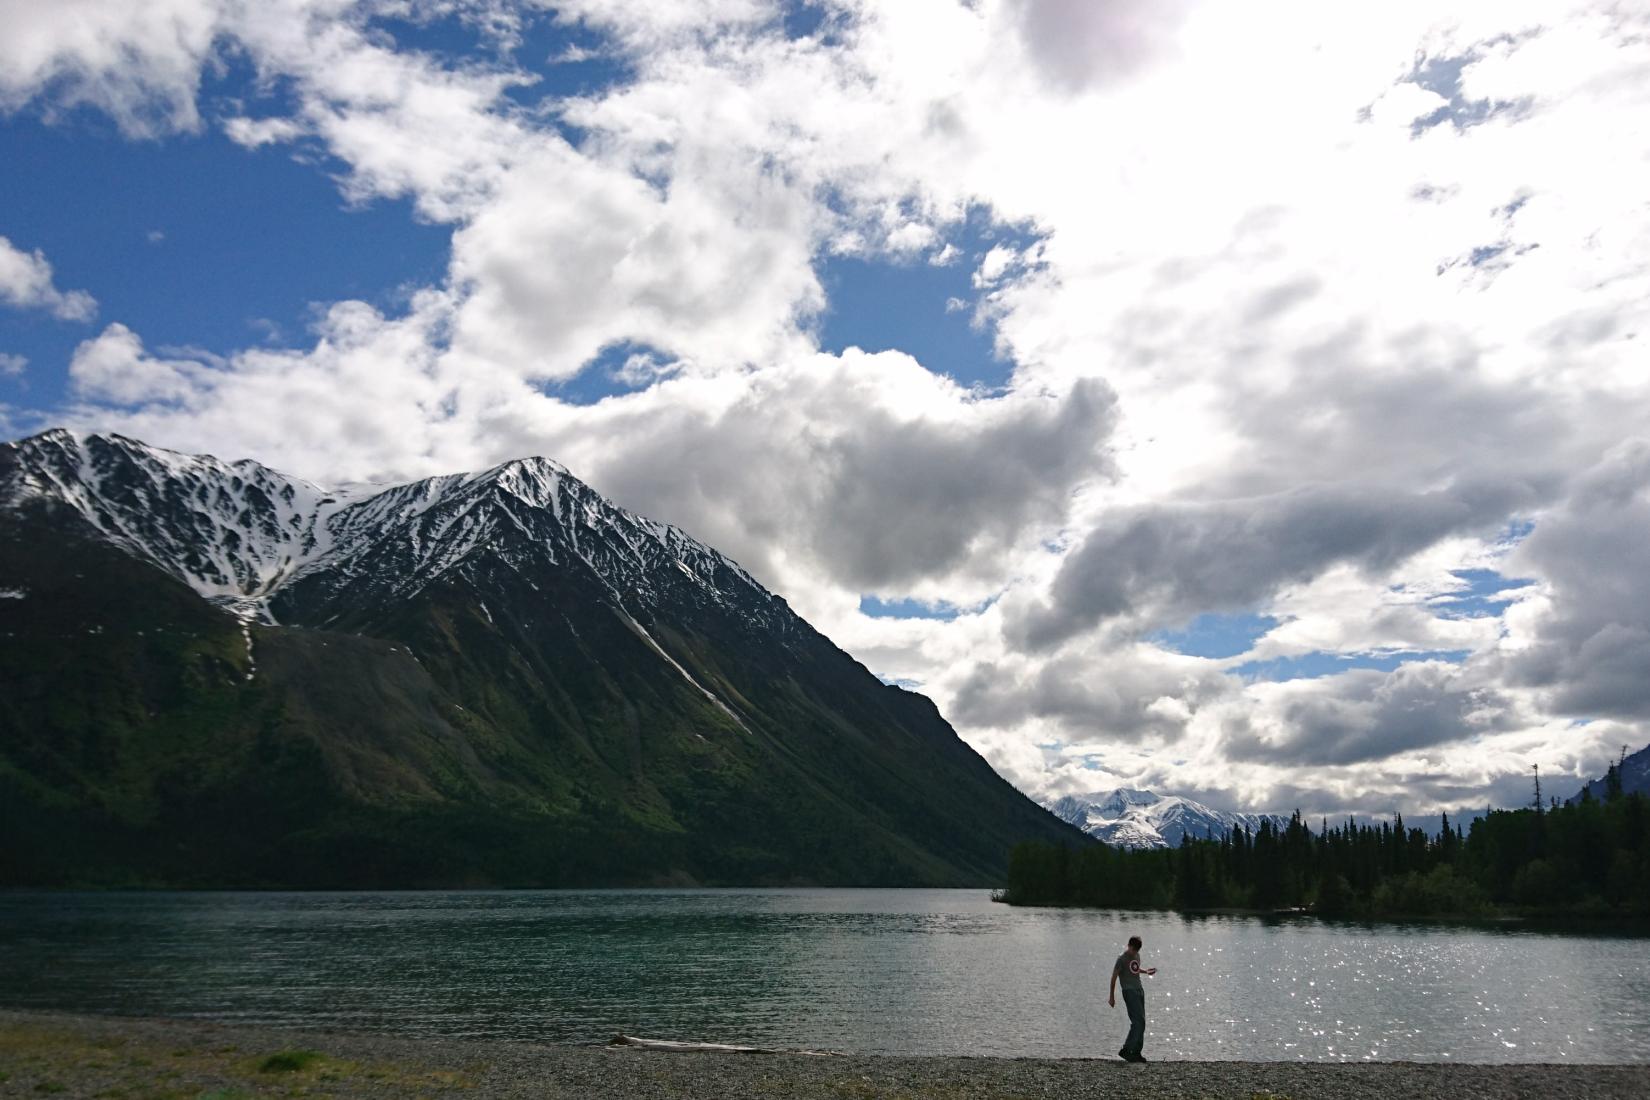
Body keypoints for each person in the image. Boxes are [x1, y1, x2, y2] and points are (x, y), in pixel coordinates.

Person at [1108, 934, 1156, 1062]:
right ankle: (1126, 1050)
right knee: (1137, 1022)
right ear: (1128, 945)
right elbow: (1113, 978)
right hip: (1129, 992)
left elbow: (1134, 969)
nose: (1134, 952)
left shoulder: (1136, 956)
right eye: (1133, 949)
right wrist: (1112, 997)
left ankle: (1136, 1052)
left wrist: (1146, 971)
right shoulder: (1121, 959)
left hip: (1139, 990)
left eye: (1136, 950)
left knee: (1142, 1023)